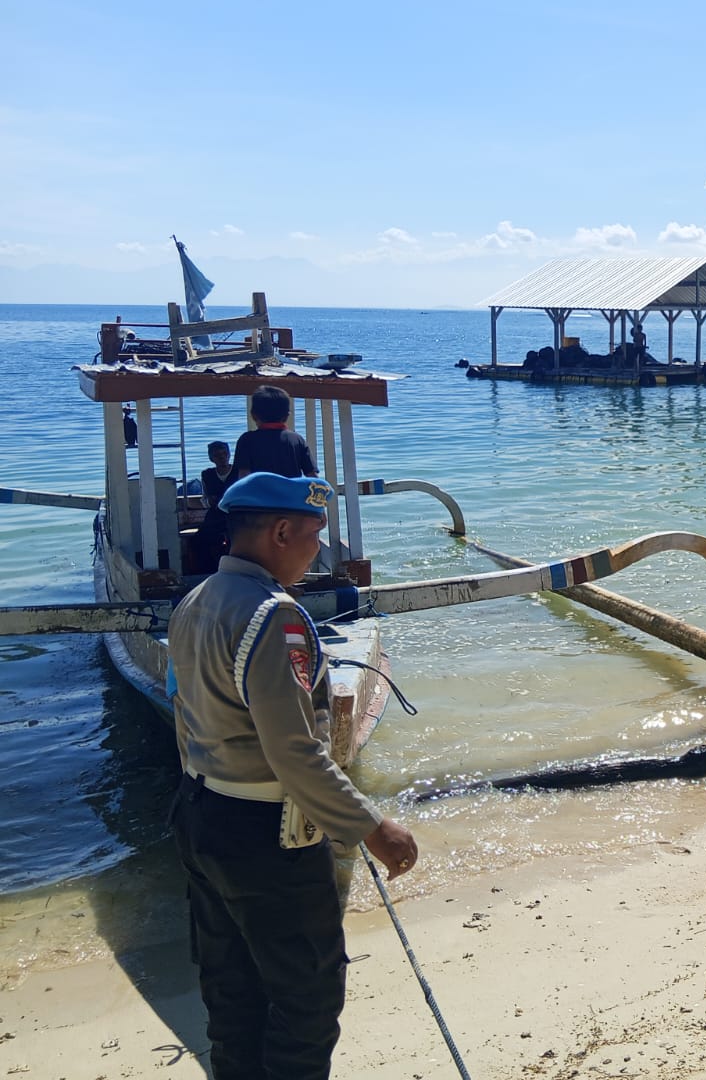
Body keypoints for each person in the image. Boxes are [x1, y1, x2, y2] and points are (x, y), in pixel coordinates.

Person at [168, 472, 415, 1079]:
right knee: (306, 1001)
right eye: (313, 534)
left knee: (232, 992)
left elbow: (184, 722)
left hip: (200, 813)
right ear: (280, 532)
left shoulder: (196, 601)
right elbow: (296, 753)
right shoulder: (274, 616)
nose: (317, 550)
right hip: (265, 833)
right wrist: (372, 828)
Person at [233, 385, 318, 479]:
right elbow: (312, 475)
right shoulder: (297, 439)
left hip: (260, 489)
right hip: (288, 489)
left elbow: (243, 476)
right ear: (287, 416)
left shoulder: (247, 440)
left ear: (253, 415)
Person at [193, 441, 237, 574]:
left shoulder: (238, 471)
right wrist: (209, 502)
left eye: (224, 453)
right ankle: (206, 571)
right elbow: (204, 499)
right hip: (215, 516)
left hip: (235, 515)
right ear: (211, 458)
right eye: (217, 455)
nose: (222, 457)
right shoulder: (207, 475)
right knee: (199, 540)